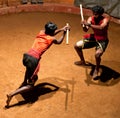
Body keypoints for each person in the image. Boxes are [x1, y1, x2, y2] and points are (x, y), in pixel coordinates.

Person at [5, 21, 70, 108]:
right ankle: (12, 94)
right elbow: (59, 41)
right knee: (31, 84)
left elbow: (51, 33)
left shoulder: (41, 32)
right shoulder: (52, 39)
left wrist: (62, 29)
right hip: (34, 60)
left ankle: (24, 82)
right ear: (52, 32)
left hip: (26, 56)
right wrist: (64, 33)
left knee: (29, 69)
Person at [74, 5, 110, 79]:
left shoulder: (105, 19)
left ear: (100, 14)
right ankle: (82, 61)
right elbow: (85, 30)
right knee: (76, 45)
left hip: (102, 40)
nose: (94, 15)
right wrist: (83, 25)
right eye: (93, 13)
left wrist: (89, 24)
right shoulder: (91, 18)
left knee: (97, 55)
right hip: (94, 38)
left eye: (96, 14)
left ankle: (96, 69)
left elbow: (101, 27)